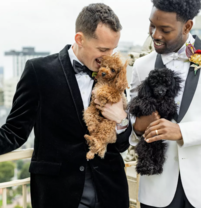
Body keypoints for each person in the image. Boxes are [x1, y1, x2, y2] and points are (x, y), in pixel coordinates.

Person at [0, 3, 131, 208]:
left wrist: (122, 121)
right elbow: (14, 131)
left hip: (110, 191)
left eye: (113, 50)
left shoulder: (113, 75)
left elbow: (123, 143)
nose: (108, 57)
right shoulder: (38, 70)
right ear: (79, 39)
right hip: (58, 193)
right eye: (103, 49)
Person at [129, 0, 201, 208]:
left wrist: (182, 131)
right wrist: (138, 126)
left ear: (188, 26)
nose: (155, 35)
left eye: (165, 29)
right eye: (152, 26)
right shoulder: (141, 65)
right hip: (157, 189)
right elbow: (132, 127)